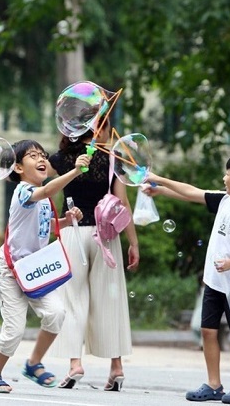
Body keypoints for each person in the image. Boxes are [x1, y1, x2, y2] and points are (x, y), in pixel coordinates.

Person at [145, 151, 230, 405]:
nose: (224, 178)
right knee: (207, 331)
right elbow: (192, 192)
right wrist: (161, 186)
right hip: (214, 282)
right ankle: (214, 384)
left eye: (227, 174)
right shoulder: (225, 200)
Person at [0, 140, 90, 394]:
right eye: (32, 155)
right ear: (18, 167)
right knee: (14, 330)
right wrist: (75, 171)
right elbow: (48, 190)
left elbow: (45, 227)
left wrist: (66, 220)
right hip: (11, 270)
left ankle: (33, 364)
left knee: (56, 313)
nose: (41, 159)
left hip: (34, 270)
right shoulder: (23, 191)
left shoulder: (44, 200)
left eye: (42, 155)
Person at [47, 119, 139, 391]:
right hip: (106, 236)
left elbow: (37, 180)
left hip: (72, 232)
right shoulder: (112, 159)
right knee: (111, 300)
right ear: (101, 131)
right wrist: (133, 243)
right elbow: (122, 203)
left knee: (72, 299)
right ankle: (117, 368)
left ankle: (75, 364)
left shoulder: (62, 158)